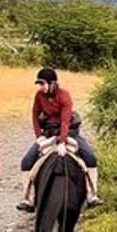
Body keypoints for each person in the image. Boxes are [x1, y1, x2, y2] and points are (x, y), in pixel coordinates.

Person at [16, 67, 102, 212]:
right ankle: (28, 199)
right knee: (26, 161)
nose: (41, 87)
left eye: (43, 84)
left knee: (90, 157)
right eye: (40, 84)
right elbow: (35, 117)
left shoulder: (64, 96)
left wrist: (62, 141)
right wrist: (39, 137)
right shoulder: (39, 96)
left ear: (53, 83)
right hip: (48, 134)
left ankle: (91, 195)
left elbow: (65, 121)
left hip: (68, 133)